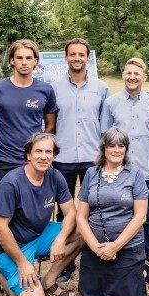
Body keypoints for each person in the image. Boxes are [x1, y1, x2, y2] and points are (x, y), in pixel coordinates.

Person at [0, 133, 83, 296]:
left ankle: (49, 282)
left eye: (48, 152)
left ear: (53, 156)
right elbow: (0, 228)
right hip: (11, 247)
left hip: (40, 234)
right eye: (38, 151)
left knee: (83, 230)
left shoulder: (55, 176)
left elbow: (71, 213)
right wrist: (22, 263)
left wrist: (60, 240)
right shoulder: (11, 182)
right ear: (28, 155)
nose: (44, 156)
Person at [50, 37, 108, 283]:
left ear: (88, 57)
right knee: (64, 213)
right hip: (62, 159)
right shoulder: (52, 88)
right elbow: (49, 124)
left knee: (94, 210)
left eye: (81, 54)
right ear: (66, 58)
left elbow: (106, 129)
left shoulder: (101, 88)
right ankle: (64, 264)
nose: (76, 58)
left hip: (92, 159)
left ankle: (92, 258)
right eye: (72, 54)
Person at [76, 127, 149, 296]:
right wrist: (95, 247)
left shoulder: (135, 174)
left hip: (127, 248)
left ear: (126, 149)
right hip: (97, 250)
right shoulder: (91, 173)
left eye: (121, 146)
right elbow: (81, 216)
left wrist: (115, 246)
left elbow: (140, 217)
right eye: (112, 145)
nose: (117, 150)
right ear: (103, 149)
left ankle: (139, 270)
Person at [0, 39, 57, 205]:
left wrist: (39, 150)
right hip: (6, 162)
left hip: (35, 162)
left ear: (36, 62)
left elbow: (51, 123)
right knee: (1, 213)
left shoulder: (45, 90)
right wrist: (0, 148)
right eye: (20, 57)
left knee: (34, 213)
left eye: (29, 58)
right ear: (11, 60)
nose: (24, 62)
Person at [100, 57, 149, 264]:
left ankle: (146, 259)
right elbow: (105, 137)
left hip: (145, 170)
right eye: (128, 73)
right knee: (119, 215)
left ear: (144, 77)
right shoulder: (111, 103)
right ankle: (120, 255)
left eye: (137, 73)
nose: (132, 77)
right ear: (123, 74)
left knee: (145, 218)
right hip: (118, 170)